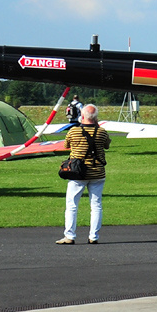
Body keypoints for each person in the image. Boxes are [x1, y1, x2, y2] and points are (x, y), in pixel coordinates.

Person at [58, 104, 110, 245]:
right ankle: (94, 236)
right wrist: (97, 126)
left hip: (78, 172)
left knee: (72, 205)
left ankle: (69, 236)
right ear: (96, 117)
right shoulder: (102, 132)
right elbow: (107, 145)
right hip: (97, 172)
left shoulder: (74, 131)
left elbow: (66, 145)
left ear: (82, 116)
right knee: (96, 205)